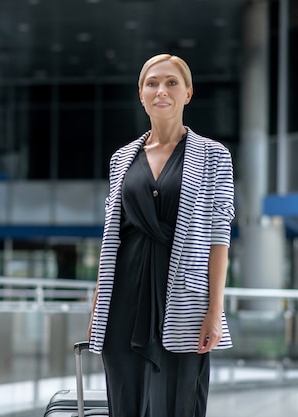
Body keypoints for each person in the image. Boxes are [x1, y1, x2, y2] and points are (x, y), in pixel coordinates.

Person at [87, 53, 236, 417]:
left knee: (181, 397)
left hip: (184, 299)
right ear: (141, 94)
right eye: (152, 83)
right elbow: (112, 237)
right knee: (125, 398)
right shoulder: (121, 158)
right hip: (124, 296)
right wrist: (97, 307)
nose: (161, 91)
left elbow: (219, 238)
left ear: (188, 93)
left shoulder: (214, 156)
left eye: (171, 82)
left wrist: (215, 311)